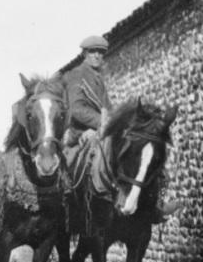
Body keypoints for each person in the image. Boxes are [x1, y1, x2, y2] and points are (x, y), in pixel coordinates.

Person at [64, 34, 177, 222]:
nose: (97, 56)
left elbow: (108, 109)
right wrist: (103, 123)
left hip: (102, 129)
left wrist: (115, 123)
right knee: (75, 160)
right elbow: (76, 109)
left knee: (136, 151)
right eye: (93, 52)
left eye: (100, 53)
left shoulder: (98, 78)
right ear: (84, 54)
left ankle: (154, 203)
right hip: (83, 132)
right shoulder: (75, 75)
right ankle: (68, 202)